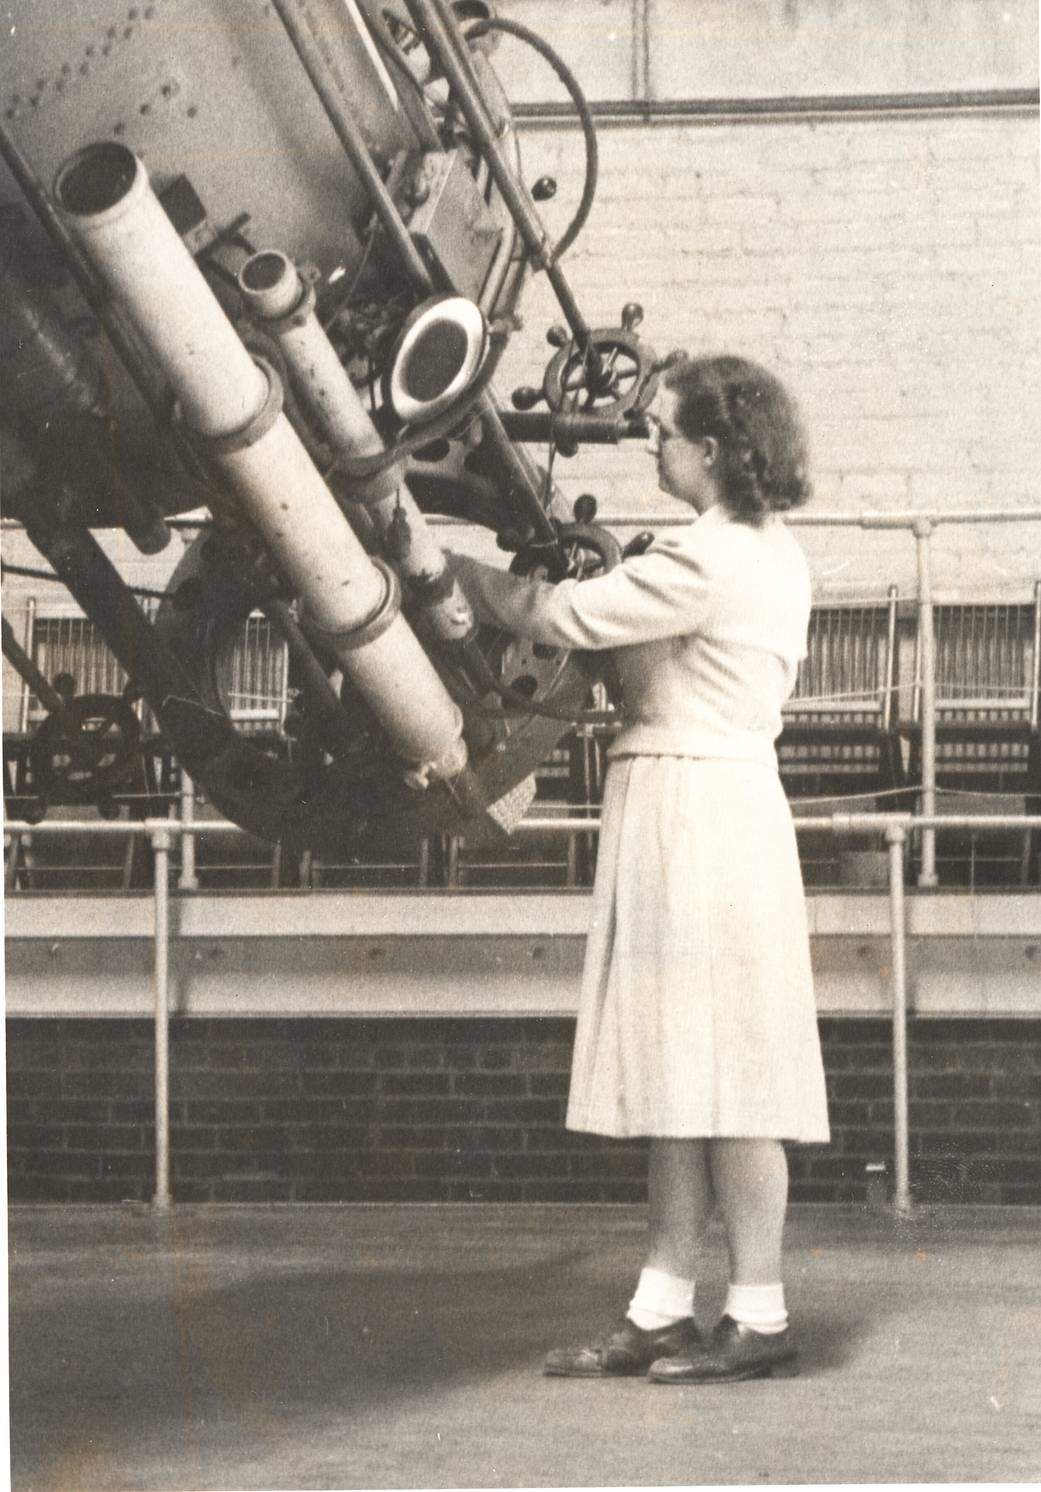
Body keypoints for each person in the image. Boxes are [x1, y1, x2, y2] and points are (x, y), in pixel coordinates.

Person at [450, 353, 830, 1384]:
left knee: (731, 1080)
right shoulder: (767, 548)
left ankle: (758, 1314)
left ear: (711, 451)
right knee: (679, 1073)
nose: (651, 446)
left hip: (697, 811)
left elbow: (555, 619)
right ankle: (662, 1308)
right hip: (700, 802)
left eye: (664, 434)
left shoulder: (707, 558)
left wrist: (445, 570)